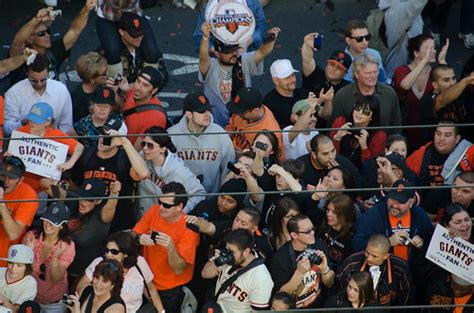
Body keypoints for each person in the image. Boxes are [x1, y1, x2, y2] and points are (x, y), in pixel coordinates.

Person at [71, 119, 149, 232]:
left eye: (109, 136)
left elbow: (143, 173)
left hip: (118, 225)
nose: (103, 139)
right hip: (89, 225)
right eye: (102, 133)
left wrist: (125, 143)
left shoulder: (124, 159)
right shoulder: (87, 155)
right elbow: (74, 185)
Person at [132, 182, 199, 312]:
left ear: (179, 206)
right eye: (160, 202)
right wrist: (138, 238)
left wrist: (170, 247)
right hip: (145, 280)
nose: (161, 207)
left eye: (167, 205)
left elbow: (179, 268)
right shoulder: (154, 210)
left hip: (169, 288)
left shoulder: (189, 228)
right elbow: (133, 233)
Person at [39, 178, 121, 285]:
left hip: (84, 276)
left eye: (89, 200)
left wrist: (114, 194)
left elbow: (110, 207)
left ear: (99, 201)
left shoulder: (102, 216)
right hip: (58, 269)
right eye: (82, 197)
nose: (83, 202)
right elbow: (45, 186)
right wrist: (55, 179)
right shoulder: (73, 201)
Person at [199, 22, 280, 127]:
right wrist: (205, 37)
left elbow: (262, 53)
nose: (234, 53)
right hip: (216, 124)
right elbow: (203, 58)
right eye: (229, 51)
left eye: (235, 50)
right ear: (217, 53)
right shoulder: (211, 67)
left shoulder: (243, 60)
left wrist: (270, 39)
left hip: (242, 123)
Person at [8, 2, 95, 84]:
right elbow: (17, 42)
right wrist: (37, 19)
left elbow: (74, 31)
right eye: (41, 33)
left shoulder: (53, 52)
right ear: (29, 39)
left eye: (48, 31)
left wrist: (86, 9)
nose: (47, 35)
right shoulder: (20, 57)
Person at [76, 232, 165, 313]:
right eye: (107, 250)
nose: (108, 255)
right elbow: (81, 287)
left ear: (126, 253)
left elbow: (150, 290)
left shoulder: (139, 263)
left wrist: (161, 312)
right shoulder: (99, 263)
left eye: (114, 252)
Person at [168, 91, 235, 194]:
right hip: (180, 200)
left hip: (210, 199)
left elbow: (228, 169)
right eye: (202, 111)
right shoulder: (172, 135)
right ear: (189, 114)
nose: (207, 114)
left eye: (208, 109)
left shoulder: (221, 135)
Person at [352, 179, 432, 264]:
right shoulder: (372, 216)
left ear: (411, 202)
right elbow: (357, 245)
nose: (394, 205)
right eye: (392, 199)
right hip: (382, 268)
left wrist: (422, 244)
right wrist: (388, 242)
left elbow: (431, 245)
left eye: (401, 202)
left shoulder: (420, 216)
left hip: (412, 270)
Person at [12, 101, 84, 192]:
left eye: (36, 121)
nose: (32, 123)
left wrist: (69, 163)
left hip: (41, 188)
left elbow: (79, 147)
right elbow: (13, 151)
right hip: (19, 184)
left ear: (48, 122)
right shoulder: (21, 131)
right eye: (30, 120)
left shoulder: (55, 135)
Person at [392, 34, 448, 151]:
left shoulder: (434, 72)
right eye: (429, 48)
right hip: (404, 133)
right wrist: (423, 62)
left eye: (434, 48)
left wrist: (442, 62)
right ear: (416, 53)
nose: (433, 51)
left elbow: (450, 91)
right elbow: (405, 85)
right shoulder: (401, 70)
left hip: (429, 133)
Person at [135, 126, 206, 215]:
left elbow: (199, 193)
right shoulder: (142, 158)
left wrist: (180, 213)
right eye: (143, 144)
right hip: (143, 217)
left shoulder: (178, 170)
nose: (145, 148)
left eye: (150, 145)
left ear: (163, 149)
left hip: (164, 222)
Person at [270, 214, 335, 309]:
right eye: (307, 231)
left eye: (313, 229)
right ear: (294, 235)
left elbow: (330, 283)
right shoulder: (281, 258)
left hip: (316, 307)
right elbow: (281, 296)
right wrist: (299, 273)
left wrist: (325, 270)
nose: (312, 233)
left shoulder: (319, 246)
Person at [202, 229, 273, 312]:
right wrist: (216, 261)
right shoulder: (227, 259)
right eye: (227, 249)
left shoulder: (261, 278)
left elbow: (258, 311)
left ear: (246, 251)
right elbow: (205, 274)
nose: (229, 254)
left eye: (232, 252)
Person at [22, 202, 75, 313]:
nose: (48, 225)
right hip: (30, 295)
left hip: (53, 303)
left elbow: (56, 278)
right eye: (47, 220)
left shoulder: (67, 246)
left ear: (62, 225)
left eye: (53, 222)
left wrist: (55, 258)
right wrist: (28, 252)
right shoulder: (31, 236)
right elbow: (20, 268)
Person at [331, 53, 401, 135]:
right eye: (368, 73)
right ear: (357, 74)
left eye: (375, 72)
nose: (373, 76)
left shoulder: (389, 94)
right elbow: (334, 127)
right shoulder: (343, 95)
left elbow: (396, 127)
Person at [4, 54, 72, 136]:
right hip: (23, 141)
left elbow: (66, 126)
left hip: (53, 142)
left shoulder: (61, 90)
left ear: (48, 73)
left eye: (43, 79)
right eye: (34, 80)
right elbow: (6, 130)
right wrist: (23, 123)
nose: (39, 84)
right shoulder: (13, 93)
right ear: (27, 73)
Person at [336, 234, 412, 306]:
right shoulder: (351, 263)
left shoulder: (400, 267)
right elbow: (339, 290)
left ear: (386, 256)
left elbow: (406, 296)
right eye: (367, 252)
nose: (368, 258)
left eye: (374, 256)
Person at [94, 0, 164, 78]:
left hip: (133, 12)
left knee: (152, 51)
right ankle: (116, 83)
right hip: (108, 16)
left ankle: (148, 83)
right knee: (112, 50)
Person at [263, 59, 332, 128]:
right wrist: (319, 101)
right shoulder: (270, 101)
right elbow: (297, 119)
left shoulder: (304, 93)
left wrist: (328, 100)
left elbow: (324, 115)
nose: (292, 80)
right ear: (276, 81)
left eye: (292, 75)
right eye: (287, 78)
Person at [419, 65, 474, 143]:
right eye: (446, 80)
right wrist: (466, 81)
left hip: (462, 145)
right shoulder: (427, 100)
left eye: (453, 78)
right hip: (436, 147)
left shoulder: (460, 92)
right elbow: (444, 99)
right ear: (435, 85)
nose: (452, 83)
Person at [0, 156, 38, 267]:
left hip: (5, 258)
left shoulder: (28, 195)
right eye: (2, 175)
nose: (5, 181)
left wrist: (2, 203)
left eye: (11, 178)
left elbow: (13, 234)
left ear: (20, 180)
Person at [407, 121, 471, 187]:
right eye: (438, 134)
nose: (441, 138)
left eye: (447, 135)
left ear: (457, 139)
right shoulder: (422, 153)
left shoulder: (467, 155)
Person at [225, 87, 284, 159]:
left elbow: (275, 160)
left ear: (255, 110)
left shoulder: (271, 132)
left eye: (241, 112)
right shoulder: (243, 112)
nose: (238, 113)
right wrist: (226, 139)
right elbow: (230, 125)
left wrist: (246, 156)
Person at [377, 0, 428, 79]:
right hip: (397, 75)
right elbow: (418, 3)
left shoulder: (397, 8)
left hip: (404, 70)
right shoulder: (398, 11)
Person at [331, 95, 386, 168]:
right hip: (336, 167)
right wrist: (337, 138)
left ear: (372, 117)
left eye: (365, 111)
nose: (359, 112)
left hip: (361, 174)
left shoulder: (379, 135)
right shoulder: (340, 122)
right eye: (357, 108)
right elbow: (329, 157)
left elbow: (371, 169)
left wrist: (364, 147)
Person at [192, 0, 267, 52]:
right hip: (217, 63)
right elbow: (198, 37)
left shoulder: (252, 2)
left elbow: (261, 28)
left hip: (244, 59)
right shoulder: (210, 7)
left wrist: (248, 41)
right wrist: (216, 51)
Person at [120, 66, 168, 147]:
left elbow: (138, 150)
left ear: (154, 90)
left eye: (145, 85)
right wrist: (119, 92)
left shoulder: (155, 118)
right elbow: (122, 109)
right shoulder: (134, 92)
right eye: (138, 81)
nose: (138, 87)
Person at [297, 134, 364, 188]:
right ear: (314, 155)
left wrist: (341, 172)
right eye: (325, 154)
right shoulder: (301, 166)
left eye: (333, 151)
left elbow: (359, 184)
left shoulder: (341, 161)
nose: (331, 156)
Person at [301, 32, 351, 98]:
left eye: (339, 68)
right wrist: (307, 45)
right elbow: (307, 59)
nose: (334, 69)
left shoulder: (347, 89)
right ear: (327, 64)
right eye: (332, 64)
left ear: (345, 73)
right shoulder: (315, 74)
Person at [317, 194, 356, 272]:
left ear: (345, 214)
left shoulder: (351, 236)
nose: (329, 214)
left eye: (334, 212)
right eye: (328, 210)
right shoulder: (323, 224)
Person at [342, 19, 387, 83]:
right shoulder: (342, 61)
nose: (365, 42)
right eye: (359, 39)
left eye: (367, 37)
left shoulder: (375, 54)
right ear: (348, 41)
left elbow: (382, 79)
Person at [71, 52, 109, 122]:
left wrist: (114, 92)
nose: (107, 75)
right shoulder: (77, 100)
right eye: (104, 74)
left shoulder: (106, 85)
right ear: (92, 79)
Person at [0, 244, 37, 312]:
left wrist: (4, 300)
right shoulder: (1, 271)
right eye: (11, 263)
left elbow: (17, 311)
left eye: (19, 265)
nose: (13, 268)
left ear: (27, 267)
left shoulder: (30, 283)